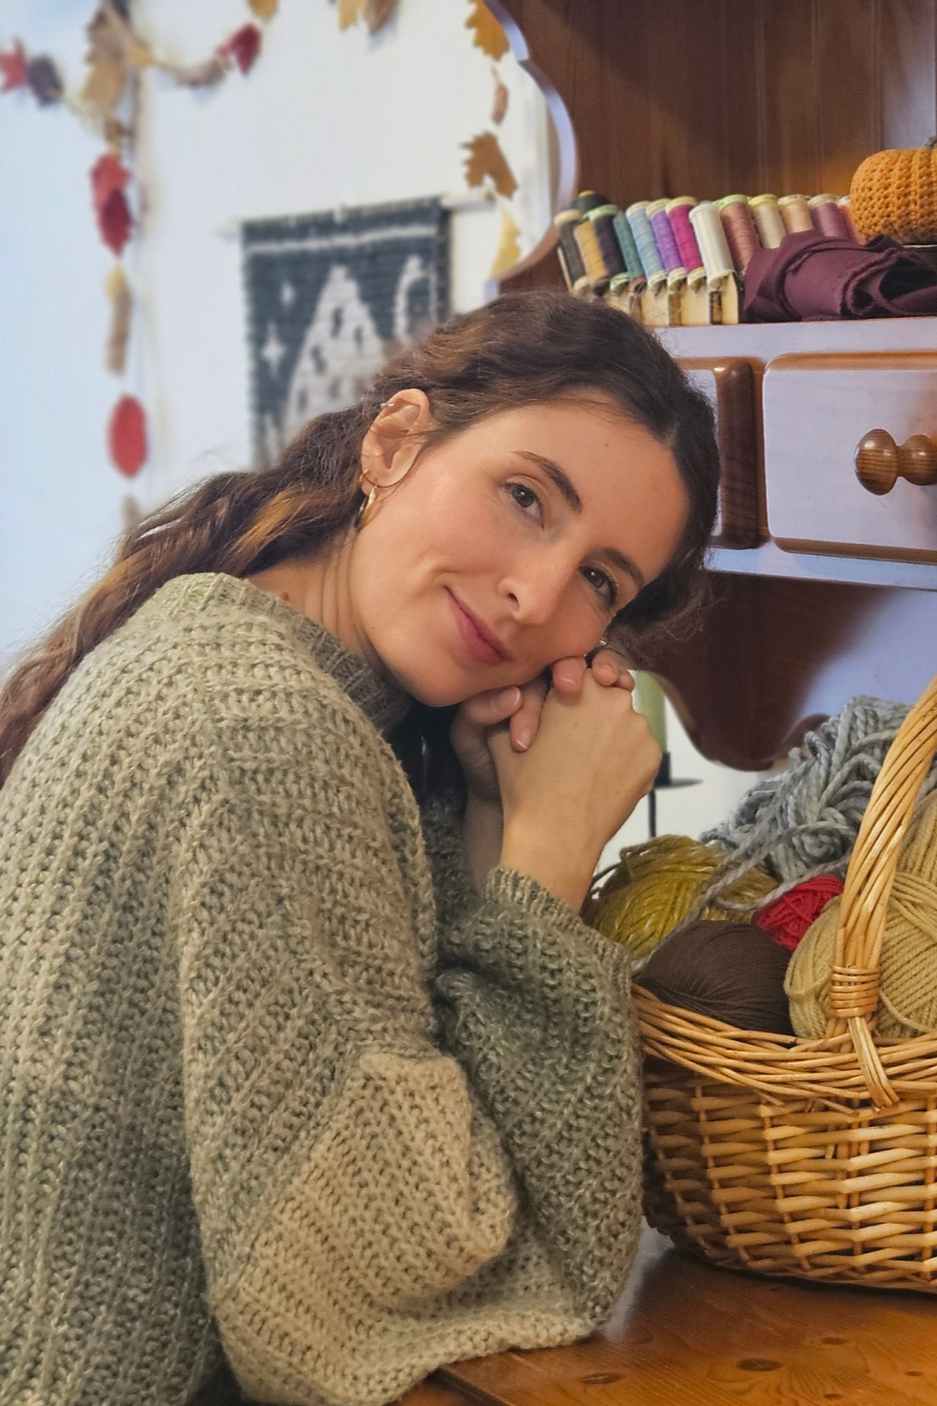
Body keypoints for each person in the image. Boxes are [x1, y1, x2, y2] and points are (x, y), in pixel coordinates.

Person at [0, 290, 718, 1406]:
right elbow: (389, 1271)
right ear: (394, 442)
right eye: (525, 496)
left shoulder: (275, 661)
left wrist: (490, 826)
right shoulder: (264, 730)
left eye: (598, 579)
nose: (536, 594)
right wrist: (545, 862)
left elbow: (409, 1128)